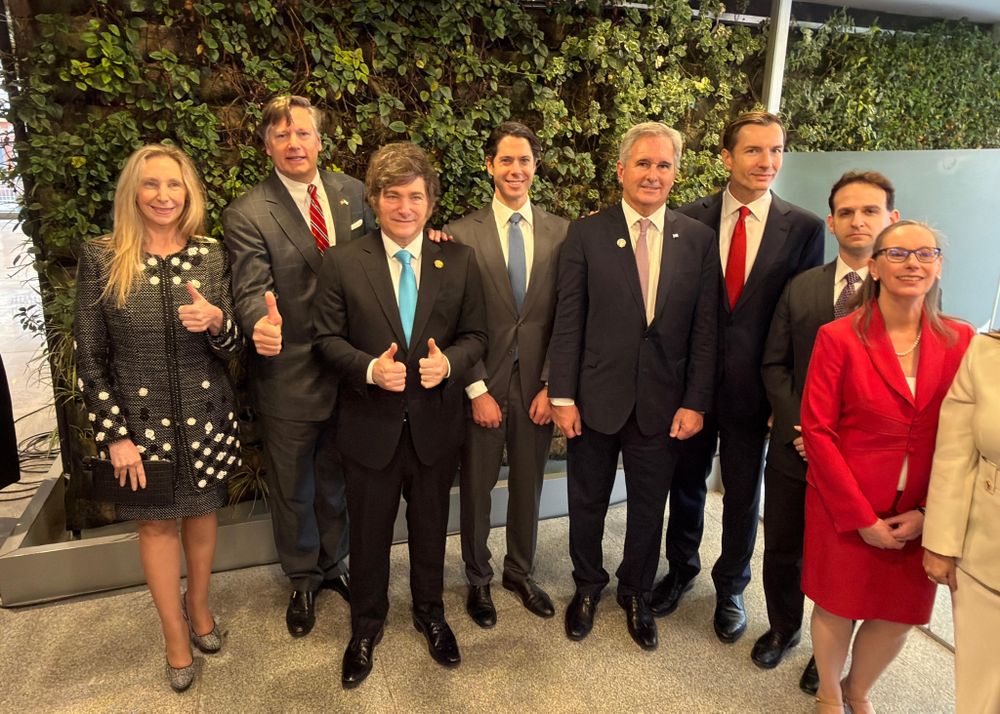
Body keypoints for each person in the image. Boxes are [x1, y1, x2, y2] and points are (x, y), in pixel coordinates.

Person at [312, 142, 486, 689]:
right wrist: (368, 370)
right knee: (367, 534)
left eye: (415, 195)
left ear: (430, 201)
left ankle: (430, 613)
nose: (404, 207)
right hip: (369, 428)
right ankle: (365, 625)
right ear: (374, 200)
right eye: (393, 196)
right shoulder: (343, 261)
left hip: (435, 426)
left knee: (431, 528)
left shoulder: (458, 259)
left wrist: (449, 366)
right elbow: (324, 340)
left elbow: (477, 336)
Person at [75, 144, 242, 691]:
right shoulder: (104, 258)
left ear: (188, 192)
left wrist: (219, 322)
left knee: (201, 515)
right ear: (134, 192)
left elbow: (235, 349)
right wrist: (114, 436)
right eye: (151, 185)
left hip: (206, 417)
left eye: (174, 185)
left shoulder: (211, 255)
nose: (163, 196)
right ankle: (174, 634)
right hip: (140, 425)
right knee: (154, 523)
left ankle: (198, 607)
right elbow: (90, 356)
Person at [547, 122, 718, 651]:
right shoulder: (588, 233)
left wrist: (695, 402)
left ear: (675, 173)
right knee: (588, 501)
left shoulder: (697, 239)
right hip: (595, 400)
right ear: (621, 170)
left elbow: (705, 330)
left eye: (663, 165)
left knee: (649, 505)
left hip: (664, 406)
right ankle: (587, 586)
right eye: (643, 163)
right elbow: (568, 321)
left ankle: (637, 592)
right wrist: (562, 396)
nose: (653, 173)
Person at [655, 111, 824, 644]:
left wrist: (789, 398)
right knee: (684, 483)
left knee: (743, 492)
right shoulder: (688, 217)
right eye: (754, 151)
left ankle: (730, 585)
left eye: (776, 151)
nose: (767, 162)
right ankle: (681, 568)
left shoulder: (803, 228)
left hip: (759, 391)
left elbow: (804, 320)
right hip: (692, 386)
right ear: (727, 158)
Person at [800, 220, 973, 713]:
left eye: (925, 253)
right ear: (874, 268)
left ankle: (858, 688)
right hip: (845, 503)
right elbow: (818, 431)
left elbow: (965, 439)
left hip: (921, 510)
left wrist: (927, 513)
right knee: (836, 604)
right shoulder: (838, 337)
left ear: (938, 266)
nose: (912, 263)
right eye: (897, 254)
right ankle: (830, 693)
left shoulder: (963, 342)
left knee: (900, 614)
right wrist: (861, 518)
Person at [223, 95, 373, 637]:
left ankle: (337, 565)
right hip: (289, 370)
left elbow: (384, 252)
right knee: (294, 485)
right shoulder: (247, 211)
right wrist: (256, 324)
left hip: (352, 370)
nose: (294, 144)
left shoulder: (353, 193)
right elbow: (249, 289)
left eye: (303, 133)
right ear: (267, 146)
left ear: (319, 140)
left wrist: (434, 240)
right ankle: (303, 577)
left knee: (338, 475)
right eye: (282, 136)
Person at [756, 171, 899, 688]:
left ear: (891, 219)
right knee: (784, 545)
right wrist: (805, 428)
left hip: (861, 458)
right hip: (796, 445)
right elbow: (775, 364)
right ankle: (782, 628)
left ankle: (828, 652)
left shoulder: (905, 293)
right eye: (847, 212)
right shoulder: (803, 286)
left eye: (870, 211)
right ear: (831, 221)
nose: (858, 221)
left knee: (845, 558)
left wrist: (836, 440)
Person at [443, 122, 569, 628]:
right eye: (506, 161)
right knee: (476, 486)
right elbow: (451, 316)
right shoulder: (457, 232)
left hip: (537, 384)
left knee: (529, 483)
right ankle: (478, 578)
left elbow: (569, 314)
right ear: (490, 166)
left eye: (525, 161)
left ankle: (520, 571)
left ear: (535, 167)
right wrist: (474, 387)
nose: (516, 170)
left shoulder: (563, 231)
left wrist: (552, 385)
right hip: (482, 382)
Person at [923, 331, 1000, 714]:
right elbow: (956, 452)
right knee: (981, 695)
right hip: (987, 557)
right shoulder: (988, 352)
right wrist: (940, 541)